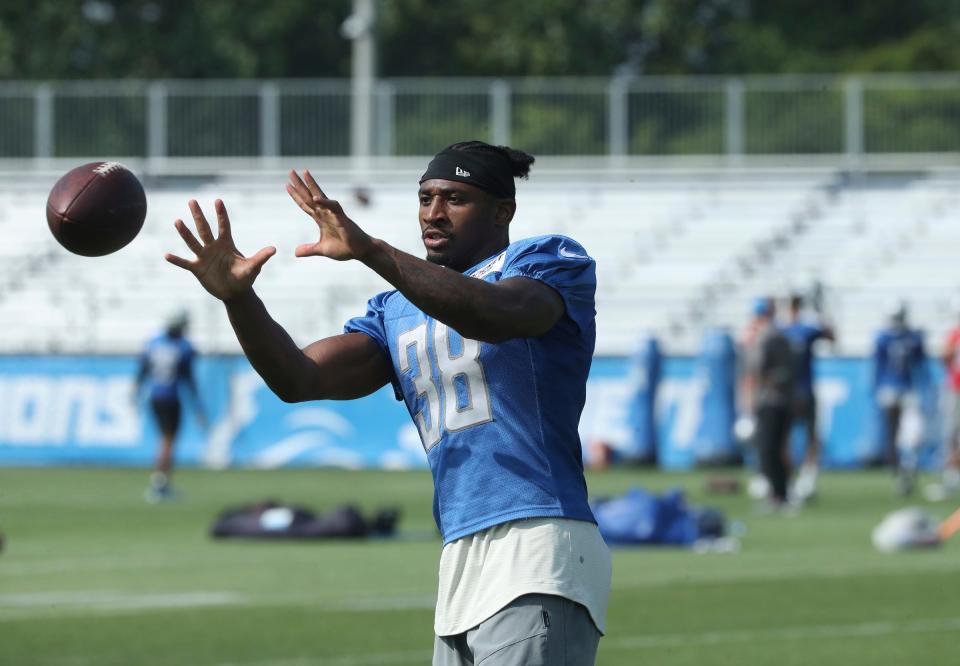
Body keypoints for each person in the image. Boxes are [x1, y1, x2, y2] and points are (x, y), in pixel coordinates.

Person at [164, 141, 611, 665]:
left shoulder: (546, 260)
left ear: (502, 210)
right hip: (460, 551)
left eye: (455, 199)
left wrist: (371, 250)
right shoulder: (396, 309)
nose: (434, 213)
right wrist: (239, 300)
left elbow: (495, 314)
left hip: (537, 539)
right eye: (425, 198)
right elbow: (299, 378)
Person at [135, 311, 205, 503]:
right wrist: (198, 407)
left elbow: (143, 369)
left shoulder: (154, 342)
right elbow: (188, 378)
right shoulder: (184, 347)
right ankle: (159, 483)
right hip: (170, 397)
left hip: (155, 396)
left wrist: (136, 391)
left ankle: (162, 482)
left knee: (165, 440)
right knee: (168, 441)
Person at [741, 297, 796, 509]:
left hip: (773, 401)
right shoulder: (762, 337)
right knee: (768, 449)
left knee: (771, 449)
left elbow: (775, 373)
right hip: (767, 400)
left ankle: (780, 495)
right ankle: (777, 493)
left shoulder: (772, 338)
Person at [871, 302, 929, 495]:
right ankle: (899, 470)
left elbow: (920, 363)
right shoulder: (884, 338)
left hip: (906, 388)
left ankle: (906, 465)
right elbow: (878, 365)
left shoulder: (912, 337)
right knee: (894, 432)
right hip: (892, 388)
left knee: (911, 432)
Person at [782, 293, 835, 502]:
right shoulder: (783, 330)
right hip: (790, 392)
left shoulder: (803, 329)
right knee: (787, 438)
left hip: (801, 390)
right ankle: (793, 480)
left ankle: (807, 478)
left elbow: (831, 337)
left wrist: (822, 312)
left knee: (809, 437)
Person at [932, 307, 960, 499]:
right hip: (956, 389)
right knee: (951, 435)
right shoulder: (954, 334)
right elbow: (944, 356)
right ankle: (952, 479)